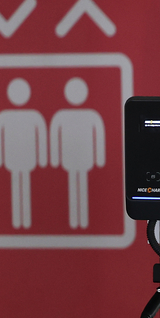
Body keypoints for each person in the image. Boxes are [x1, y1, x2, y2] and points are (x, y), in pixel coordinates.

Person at [49, 77, 105, 229]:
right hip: (70, 159)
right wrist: (54, 158)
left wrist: (99, 158)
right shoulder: (61, 116)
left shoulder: (91, 115)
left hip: (85, 159)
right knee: (74, 185)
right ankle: (75, 220)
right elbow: (54, 136)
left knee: (81, 186)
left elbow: (98, 136)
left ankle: (82, 220)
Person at [0, 78, 47, 229]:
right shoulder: (3, 117)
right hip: (13, 159)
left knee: (24, 186)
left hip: (27, 159)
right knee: (17, 187)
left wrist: (43, 158)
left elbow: (41, 136)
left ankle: (25, 221)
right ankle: (18, 221)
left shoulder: (34, 116)